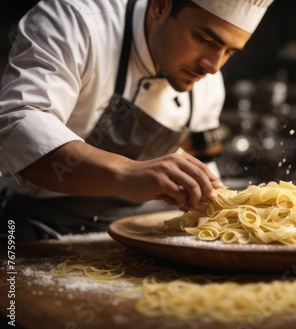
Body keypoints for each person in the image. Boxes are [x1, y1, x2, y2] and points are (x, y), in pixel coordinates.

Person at [0, 0, 274, 240]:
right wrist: (126, 173)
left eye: (229, 52)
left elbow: (206, 171)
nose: (213, 67)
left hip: (133, 238)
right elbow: (19, 126)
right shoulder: (75, 20)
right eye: (205, 39)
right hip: (36, 230)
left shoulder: (208, 85)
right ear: (159, 5)